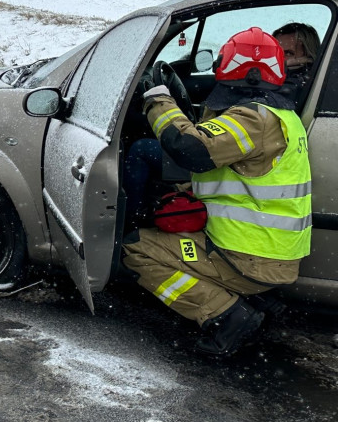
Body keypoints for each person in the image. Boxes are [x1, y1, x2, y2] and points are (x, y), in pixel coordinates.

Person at [122, 27, 311, 357]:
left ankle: (226, 314)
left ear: (236, 67)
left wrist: (157, 99)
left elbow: (190, 148)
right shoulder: (280, 113)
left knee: (135, 249)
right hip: (267, 252)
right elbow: (235, 177)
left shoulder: (254, 118)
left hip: (247, 257)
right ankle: (258, 298)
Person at [272, 21, 320, 104]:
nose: (278, 58)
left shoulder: (306, 81)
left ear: (307, 56)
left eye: (288, 53)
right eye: (275, 52)